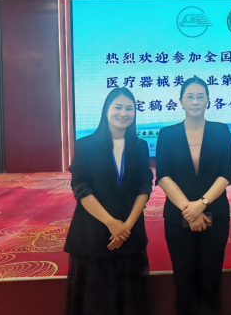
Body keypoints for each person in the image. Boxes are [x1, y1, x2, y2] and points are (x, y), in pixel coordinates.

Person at [64, 87, 153, 315]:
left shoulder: (140, 146)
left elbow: (145, 186)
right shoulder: (85, 145)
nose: (123, 113)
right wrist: (111, 223)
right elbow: (81, 188)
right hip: (94, 234)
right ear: (106, 110)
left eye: (129, 109)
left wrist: (126, 227)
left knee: (131, 302)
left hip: (129, 235)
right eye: (118, 107)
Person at [156, 77, 231, 315]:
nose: (195, 101)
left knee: (211, 277)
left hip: (215, 216)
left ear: (208, 100)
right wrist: (189, 210)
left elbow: (226, 173)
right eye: (190, 96)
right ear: (181, 101)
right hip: (178, 217)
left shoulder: (221, 131)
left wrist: (202, 204)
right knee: (184, 278)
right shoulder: (167, 134)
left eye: (201, 96)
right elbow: (163, 176)